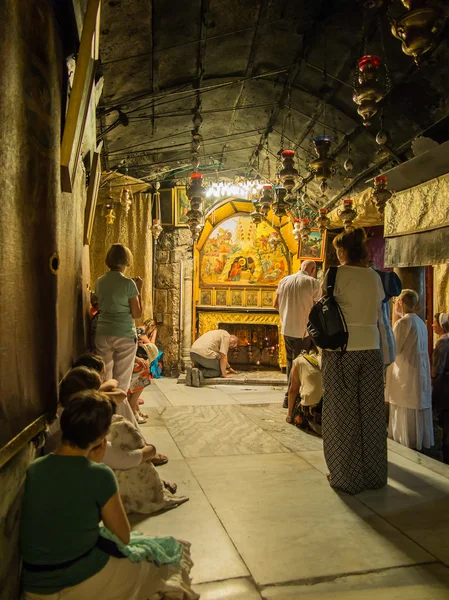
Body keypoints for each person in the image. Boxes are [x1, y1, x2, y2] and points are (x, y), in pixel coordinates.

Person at [20, 391, 198, 600]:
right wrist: (95, 465)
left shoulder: (36, 468)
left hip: (35, 586)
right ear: (101, 437)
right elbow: (123, 535)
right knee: (169, 563)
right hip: (80, 582)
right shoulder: (99, 474)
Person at [321, 228, 387, 495]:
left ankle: (346, 476)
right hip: (372, 349)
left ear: (343, 251)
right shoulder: (374, 276)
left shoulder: (335, 273)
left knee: (341, 414)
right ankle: (374, 475)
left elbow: (324, 305)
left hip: (342, 351)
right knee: (371, 415)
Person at [93, 243, 142, 425]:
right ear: (126, 261)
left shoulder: (100, 281)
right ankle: (121, 423)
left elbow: (99, 304)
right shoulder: (128, 284)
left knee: (105, 380)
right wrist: (139, 289)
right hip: (123, 334)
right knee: (121, 384)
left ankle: (104, 420)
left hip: (103, 332)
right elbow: (136, 314)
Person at [386, 290, 434, 451]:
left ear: (400, 302)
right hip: (418, 370)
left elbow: (395, 348)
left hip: (405, 370)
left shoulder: (402, 323)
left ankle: (403, 438)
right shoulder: (420, 322)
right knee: (415, 403)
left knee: (404, 404)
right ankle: (418, 438)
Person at [274, 260, 321, 408]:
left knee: (290, 362)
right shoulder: (312, 282)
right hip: (303, 330)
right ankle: (292, 397)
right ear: (313, 270)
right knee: (302, 364)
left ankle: (290, 397)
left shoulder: (284, 280)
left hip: (287, 328)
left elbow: (275, 304)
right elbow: (318, 306)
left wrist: (288, 313)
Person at [286, 350, 323, 436]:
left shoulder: (298, 361)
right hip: (327, 408)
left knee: (298, 401)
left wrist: (289, 415)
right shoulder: (325, 359)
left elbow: (293, 390)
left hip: (310, 411)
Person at [432, 313, 449, 463]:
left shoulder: (443, 343)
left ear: (442, 326)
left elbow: (438, 368)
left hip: (444, 387)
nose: (432, 325)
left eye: (435, 323)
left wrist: (432, 380)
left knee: (445, 421)